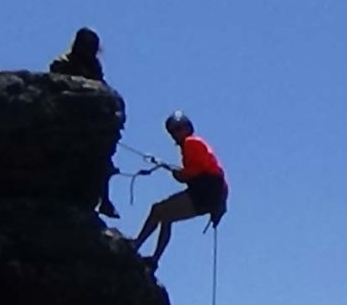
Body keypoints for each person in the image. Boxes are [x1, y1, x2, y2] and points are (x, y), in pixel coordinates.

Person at [130, 111, 228, 266]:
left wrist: (179, 174)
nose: (175, 134)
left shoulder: (191, 143)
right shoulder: (195, 144)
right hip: (209, 196)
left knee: (157, 210)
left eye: (178, 129)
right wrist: (221, 206)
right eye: (173, 131)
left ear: (187, 128)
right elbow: (217, 173)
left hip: (203, 193)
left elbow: (190, 174)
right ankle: (154, 259)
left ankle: (136, 244)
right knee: (166, 216)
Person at [49, 28, 120, 219]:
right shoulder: (61, 64)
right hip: (65, 121)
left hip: (89, 123)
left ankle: (105, 201)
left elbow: (102, 86)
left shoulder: (93, 66)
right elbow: (56, 87)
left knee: (104, 158)